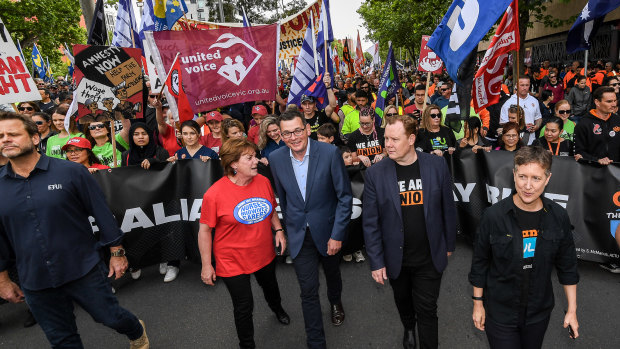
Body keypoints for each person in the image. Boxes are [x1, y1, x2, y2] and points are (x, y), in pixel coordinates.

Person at [0, 112, 149, 348]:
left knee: (110, 317)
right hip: (35, 279)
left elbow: (101, 213)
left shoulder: (70, 172)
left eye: (13, 134)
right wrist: (2, 279)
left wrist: (117, 253)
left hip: (83, 268)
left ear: (36, 138)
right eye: (0, 136)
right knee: (62, 339)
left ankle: (135, 329)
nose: (5, 139)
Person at [469, 146, 579, 349]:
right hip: (500, 312)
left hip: (538, 313)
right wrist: (478, 304)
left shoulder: (558, 217)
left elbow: (568, 267)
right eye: (522, 177)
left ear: (547, 179)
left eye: (536, 178)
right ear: (514, 175)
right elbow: (480, 263)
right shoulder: (493, 216)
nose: (528, 186)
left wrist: (571, 310)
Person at [363, 114, 456, 349]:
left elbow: (448, 207)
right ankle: (407, 325)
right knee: (403, 301)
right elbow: (371, 222)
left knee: (427, 310)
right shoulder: (376, 174)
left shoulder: (436, 165)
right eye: (386, 138)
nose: (388, 144)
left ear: (412, 138)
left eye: (395, 139)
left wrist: (449, 245)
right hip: (396, 258)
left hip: (429, 256)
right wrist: (376, 261)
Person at [269, 110, 352, 349]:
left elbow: (344, 197)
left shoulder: (329, 153)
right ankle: (316, 343)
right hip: (299, 235)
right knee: (308, 290)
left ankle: (335, 301)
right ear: (281, 136)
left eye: (297, 130)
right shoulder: (276, 159)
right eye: (287, 133)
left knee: (332, 273)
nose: (293, 137)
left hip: (328, 232)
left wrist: (337, 234)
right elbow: (284, 199)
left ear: (307, 129)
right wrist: (287, 228)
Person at [198, 138, 290, 349]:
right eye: (249, 158)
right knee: (243, 306)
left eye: (255, 156)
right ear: (233, 164)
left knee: (271, 288)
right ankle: (247, 345)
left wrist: (278, 230)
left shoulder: (263, 182)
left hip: (263, 252)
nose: (255, 161)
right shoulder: (214, 194)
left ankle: (277, 308)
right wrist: (206, 264)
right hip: (231, 260)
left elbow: (270, 208)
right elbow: (204, 231)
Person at [574, 86, 619, 165]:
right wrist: (597, 160)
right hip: (593, 172)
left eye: (615, 101)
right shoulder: (584, 123)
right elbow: (579, 153)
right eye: (609, 101)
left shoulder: (617, 120)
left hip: (616, 173)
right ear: (597, 102)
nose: (614, 104)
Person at [500, 76, 542, 145]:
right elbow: (503, 124)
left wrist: (536, 126)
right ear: (516, 85)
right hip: (513, 143)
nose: (525, 88)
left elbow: (538, 118)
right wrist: (521, 127)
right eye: (522, 85)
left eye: (527, 85)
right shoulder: (508, 103)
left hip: (531, 141)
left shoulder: (534, 101)